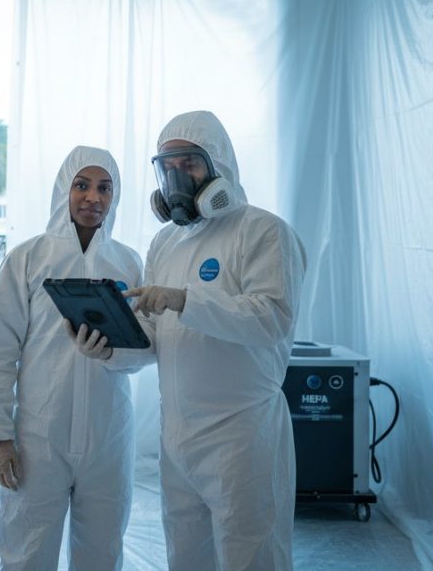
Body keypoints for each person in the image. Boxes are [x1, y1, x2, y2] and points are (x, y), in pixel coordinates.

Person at [73, 110, 308, 571]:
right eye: (168, 167)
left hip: (242, 432)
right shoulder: (166, 243)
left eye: (190, 164)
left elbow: (271, 319)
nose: (177, 177)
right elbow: (156, 337)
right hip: (178, 433)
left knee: (251, 553)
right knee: (185, 553)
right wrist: (110, 348)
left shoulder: (263, 231)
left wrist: (186, 300)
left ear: (220, 165)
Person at [0, 146, 143, 570]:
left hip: (108, 436)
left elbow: (146, 348)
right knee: (26, 551)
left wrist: (113, 353)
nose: (93, 197)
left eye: (105, 188)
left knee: (102, 551)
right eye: (81, 185)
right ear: (62, 190)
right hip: (39, 437)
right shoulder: (28, 258)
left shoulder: (128, 263)